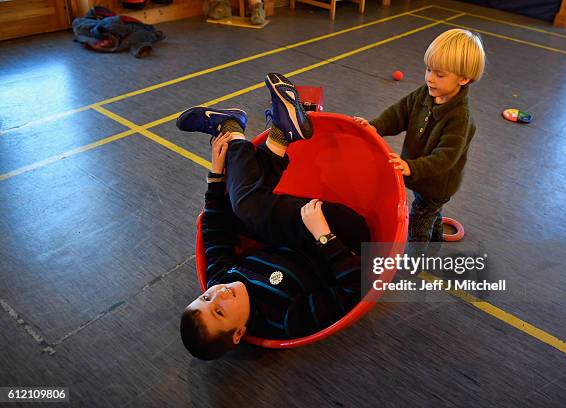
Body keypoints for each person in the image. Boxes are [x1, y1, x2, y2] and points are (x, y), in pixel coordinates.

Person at [178, 73, 370, 360]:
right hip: (341, 236)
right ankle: (236, 132)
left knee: (234, 209)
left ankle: (276, 135)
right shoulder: (284, 317)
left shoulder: (219, 278)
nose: (218, 294)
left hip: (294, 230)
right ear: (239, 333)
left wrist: (216, 175)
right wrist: (324, 237)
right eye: (218, 310)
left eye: (206, 297)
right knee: (247, 207)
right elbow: (354, 288)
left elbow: (214, 229)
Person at [354, 29, 486, 249]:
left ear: (463, 79)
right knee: (431, 214)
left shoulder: (459, 119)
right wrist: (375, 127)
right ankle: (435, 242)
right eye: (428, 69)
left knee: (419, 222)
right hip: (418, 174)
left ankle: (416, 264)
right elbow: (399, 113)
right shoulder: (425, 93)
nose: (429, 78)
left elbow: (445, 158)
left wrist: (410, 166)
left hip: (437, 185)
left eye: (439, 74)